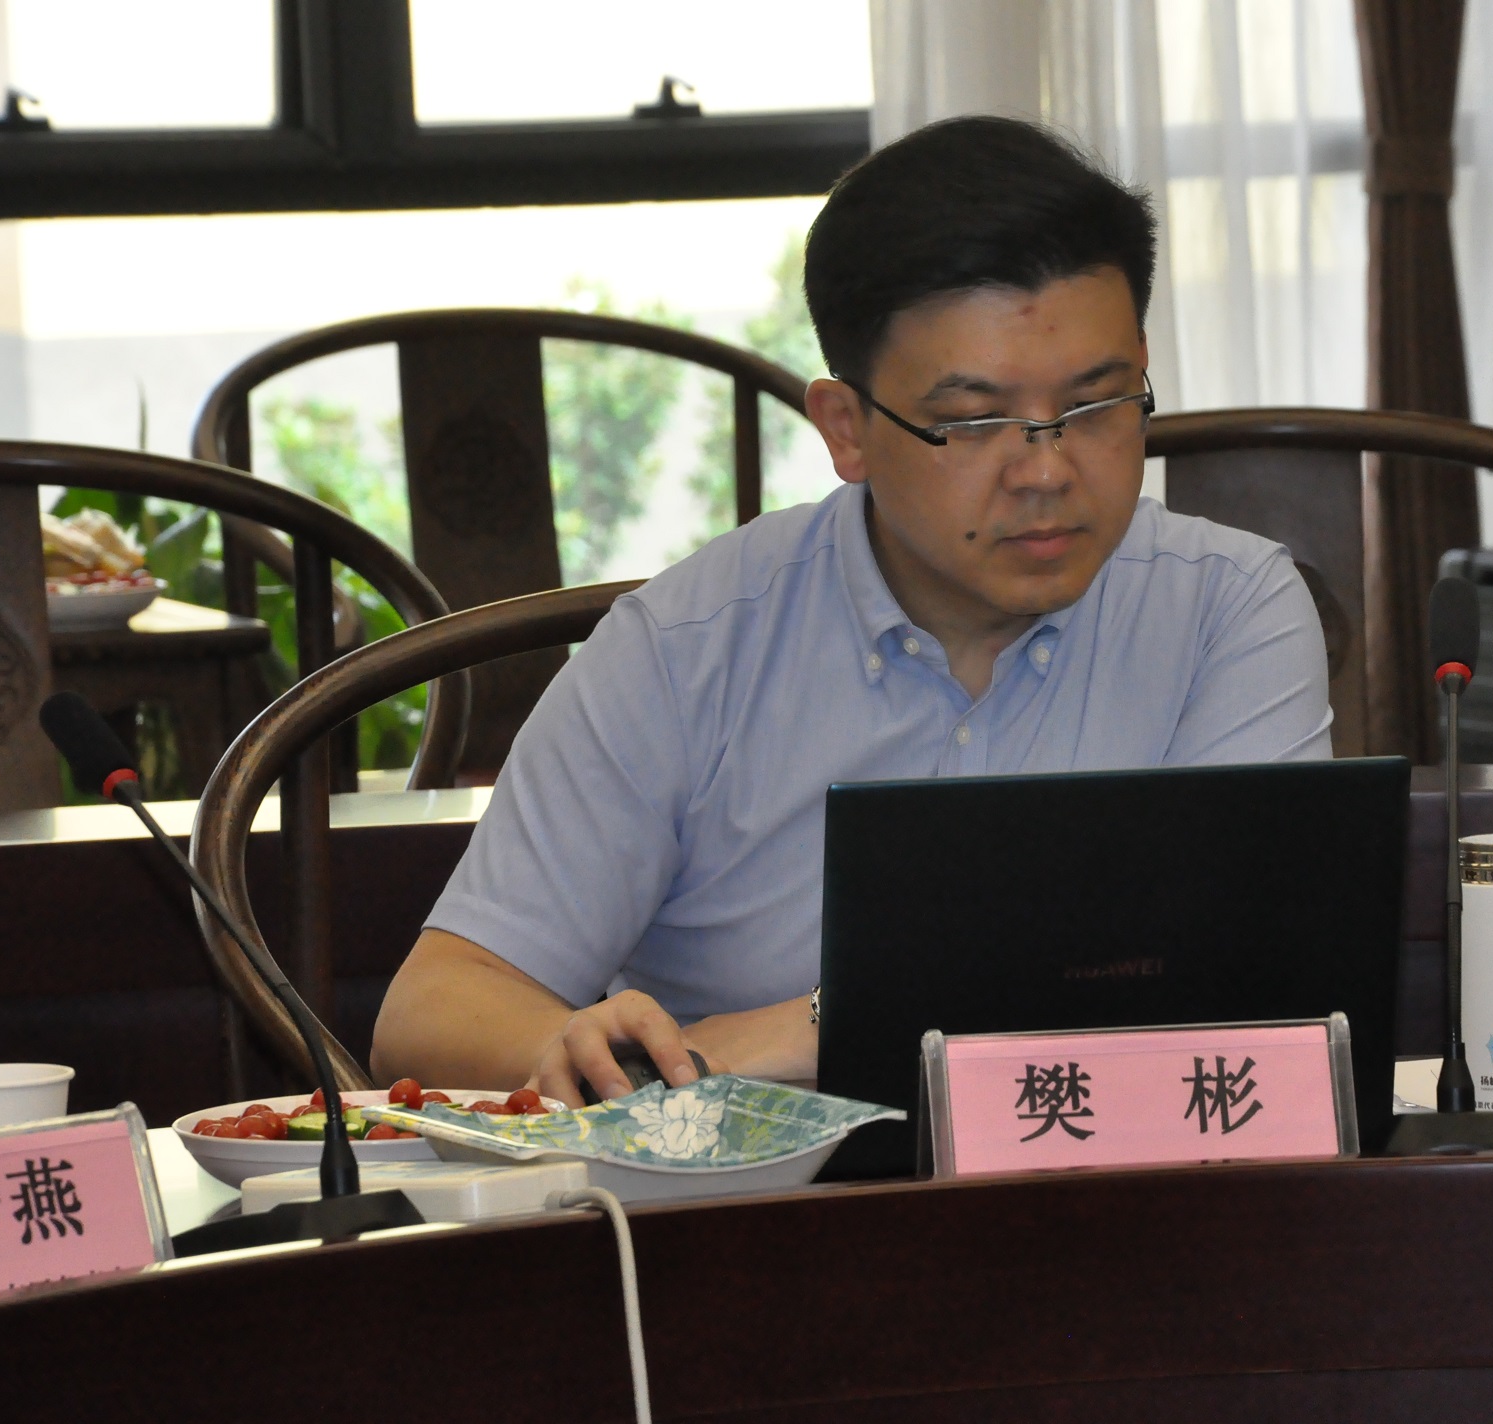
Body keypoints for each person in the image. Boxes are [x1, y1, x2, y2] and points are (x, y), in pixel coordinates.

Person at [370, 115, 1332, 1105]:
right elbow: (434, 1008)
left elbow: (1258, 995)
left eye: (1094, 405)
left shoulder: (1226, 610)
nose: (1046, 470)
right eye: (974, 422)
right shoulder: (687, 648)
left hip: (1116, 1178)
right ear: (845, 429)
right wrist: (622, 1054)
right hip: (760, 1198)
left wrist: (782, 1039)